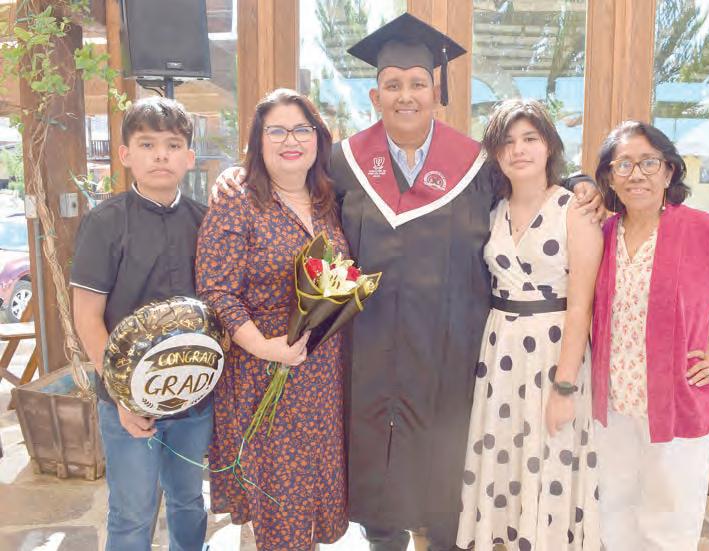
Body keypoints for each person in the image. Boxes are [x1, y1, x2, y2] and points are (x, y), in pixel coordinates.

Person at [213, 14, 603, 550]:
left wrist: (581, 183)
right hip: (367, 353)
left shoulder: (475, 165)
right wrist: (236, 173)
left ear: (436, 93)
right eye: (392, 84)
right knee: (378, 483)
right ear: (375, 96)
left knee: (447, 484)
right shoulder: (344, 163)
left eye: (418, 83)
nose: (406, 95)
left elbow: (530, 184)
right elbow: (288, 179)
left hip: (452, 354)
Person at [590, 121, 709, 550]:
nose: (636, 174)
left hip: (677, 406)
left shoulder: (702, 231)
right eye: (623, 164)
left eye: (649, 163)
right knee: (613, 518)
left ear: (669, 171)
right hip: (613, 408)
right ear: (609, 177)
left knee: (668, 527)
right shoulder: (601, 235)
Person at [196, 89, 348, 551]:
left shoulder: (328, 201)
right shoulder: (238, 201)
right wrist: (265, 347)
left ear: (318, 138)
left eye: (301, 129)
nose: (291, 140)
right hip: (263, 372)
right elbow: (216, 289)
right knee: (279, 512)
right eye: (276, 131)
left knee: (310, 503)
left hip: (322, 377)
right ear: (258, 142)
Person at [456, 99, 603, 551]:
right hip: (499, 354)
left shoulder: (574, 209)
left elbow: (581, 307)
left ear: (549, 146)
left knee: (550, 458)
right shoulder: (492, 210)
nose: (518, 150)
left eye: (530, 138)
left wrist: (564, 387)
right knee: (505, 464)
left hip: (553, 353)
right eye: (507, 142)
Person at [72, 97, 212, 551]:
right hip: (126, 405)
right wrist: (123, 397)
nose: (160, 155)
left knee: (189, 501)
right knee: (132, 513)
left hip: (193, 399)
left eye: (172, 145)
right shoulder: (104, 223)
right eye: (147, 144)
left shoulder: (206, 221)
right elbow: (87, 316)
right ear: (125, 154)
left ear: (189, 157)